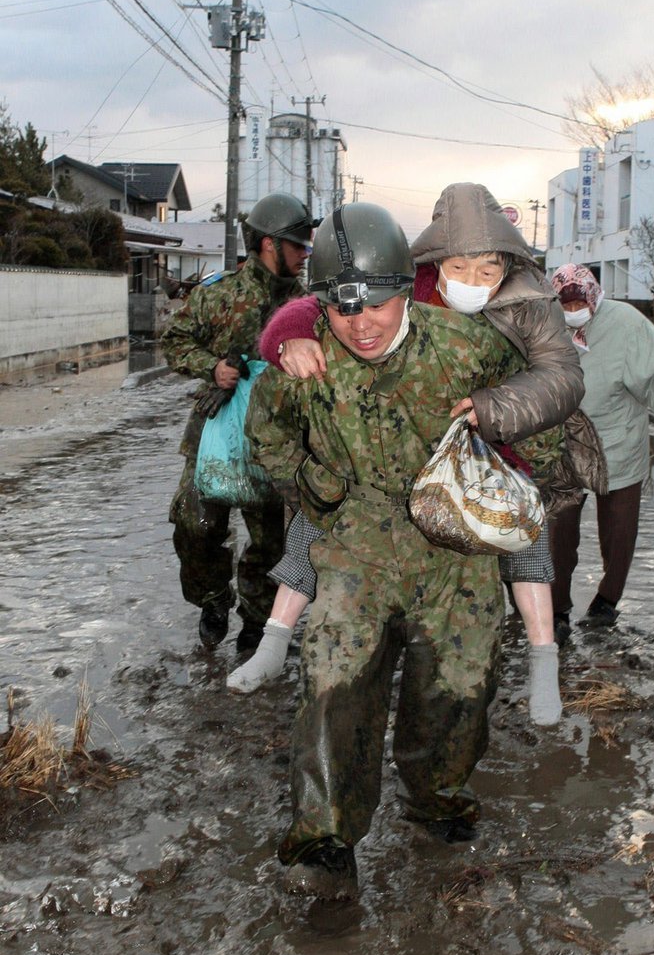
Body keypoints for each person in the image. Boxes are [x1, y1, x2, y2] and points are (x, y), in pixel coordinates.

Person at [244, 202, 551, 900]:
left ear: (404, 291)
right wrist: (309, 478)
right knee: (331, 681)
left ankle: (438, 801)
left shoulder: (467, 346)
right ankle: (324, 840)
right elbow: (266, 440)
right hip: (356, 544)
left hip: (454, 548)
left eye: (377, 304)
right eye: (344, 308)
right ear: (323, 303)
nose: (362, 324)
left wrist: (502, 469)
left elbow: (544, 415)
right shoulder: (305, 356)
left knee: (459, 690)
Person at [232, 184, 604, 725]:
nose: (473, 282)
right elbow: (324, 303)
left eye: (487, 270)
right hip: (413, 440)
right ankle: (274, 639)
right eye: (460, 266)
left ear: (508, 264)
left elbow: (561, 376)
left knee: (525, 537)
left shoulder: (530, 300)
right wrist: (287, 341)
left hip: (508, 432)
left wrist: (497, 410)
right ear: (432, 262)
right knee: (318, 522)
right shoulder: (410, 287)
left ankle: (544, 661)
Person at [162, 193, 318, 652]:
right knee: (196, 527)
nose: (306, 255)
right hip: (214, 428)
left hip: (278, 438)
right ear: (270, 244)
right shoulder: (218, 296)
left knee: (273, 540)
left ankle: (256, 623)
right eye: (299, 246)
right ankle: (213, 600)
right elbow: (173, 342)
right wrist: (212, 367)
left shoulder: (308, 306)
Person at [549, 263, 654, 643]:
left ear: (594, 295)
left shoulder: (626, 323)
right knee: (557, 531)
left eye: (580, 299)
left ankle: (606, 602)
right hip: (564, 442)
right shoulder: (546, 322)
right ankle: (557, 610)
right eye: (565, 301)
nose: (573, 306)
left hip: (619, 440)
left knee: (619, 531)